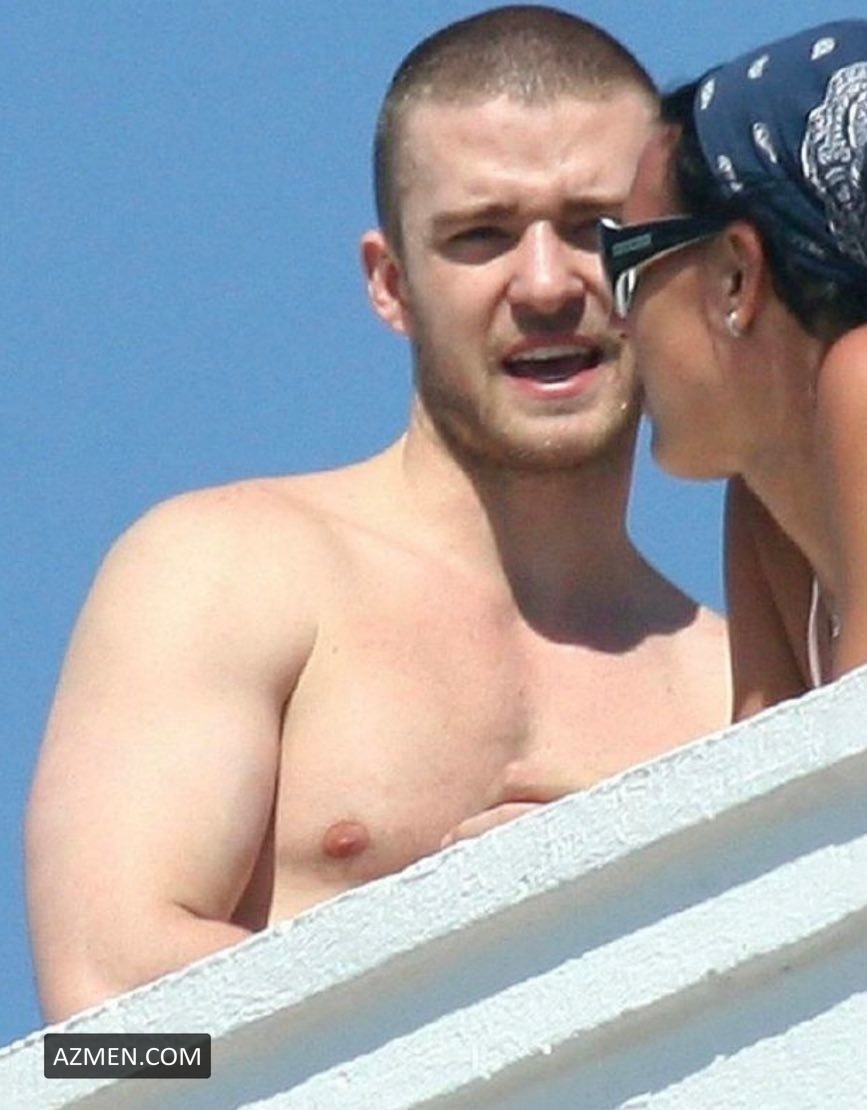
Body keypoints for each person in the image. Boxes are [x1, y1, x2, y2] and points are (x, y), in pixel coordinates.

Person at [26, 5, 729, 1023]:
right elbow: (95, 1032)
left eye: (594, 228)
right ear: (391, 286)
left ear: (669, 257)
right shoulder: (229, 571)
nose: (544, 284)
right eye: (481, 236)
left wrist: (601, 934)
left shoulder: (733, 692)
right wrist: (468, 951)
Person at [599, 20, 867, 720]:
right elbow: (771, 767)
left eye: (627, 263)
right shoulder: (768, 506)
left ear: (735, 277)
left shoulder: (863, 378)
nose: (616, 322)